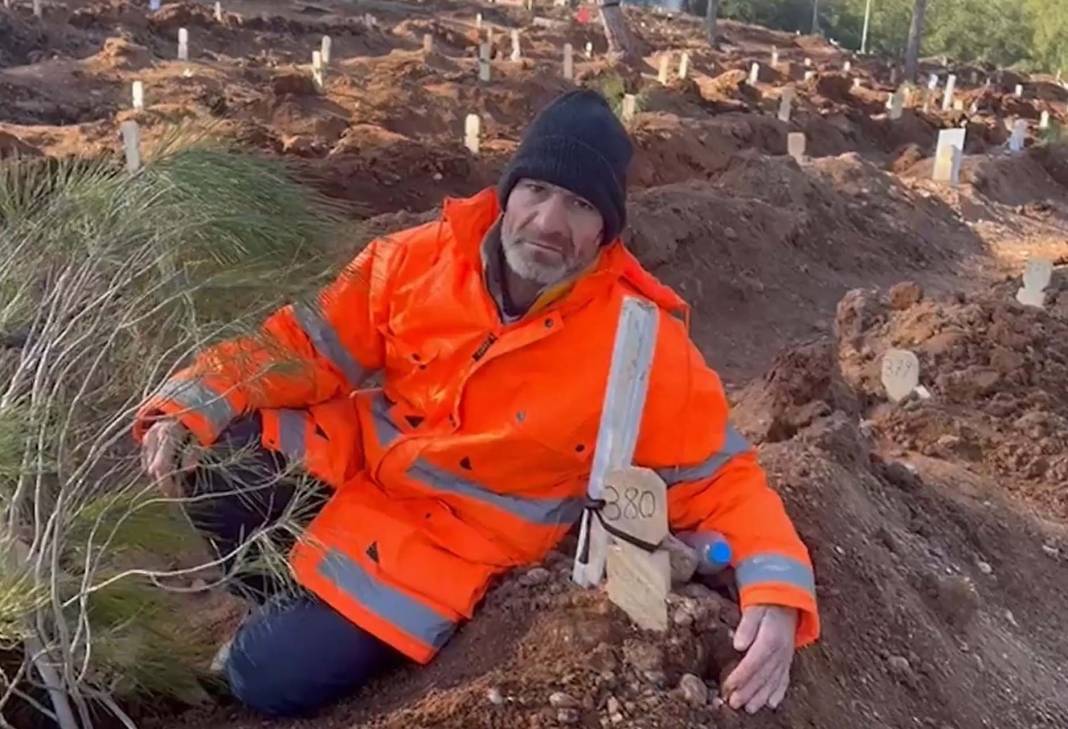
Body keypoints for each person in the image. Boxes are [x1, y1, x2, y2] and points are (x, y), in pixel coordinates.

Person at [136, 90, 819, 717]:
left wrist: (778, 590)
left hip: (442, 554)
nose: (551, 222)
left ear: (607, 230)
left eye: (581, 205)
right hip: (361, 477)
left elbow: (720, 476)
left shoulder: (639, 341)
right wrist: (193, 400)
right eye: (540, 190)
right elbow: (302, 347)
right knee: (218, 459)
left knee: (262, 677)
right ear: (508, 191)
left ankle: (308, 634)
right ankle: (299, 604)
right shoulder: (416, 259)